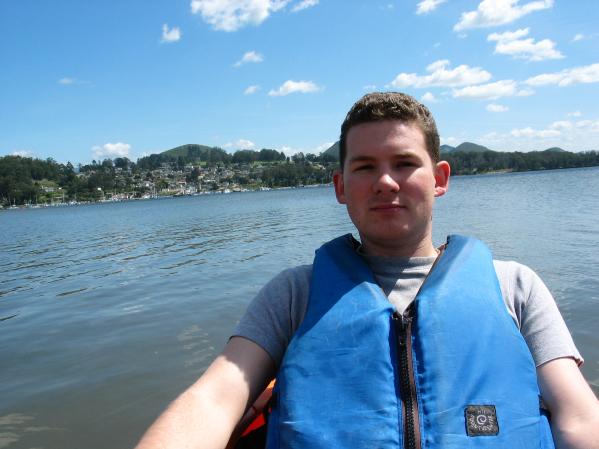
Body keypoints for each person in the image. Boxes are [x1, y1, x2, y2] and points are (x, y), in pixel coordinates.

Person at [135, 92, 599, 449]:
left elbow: (577, 414)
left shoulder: (514, 286)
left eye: (404, 163)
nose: (385, 182)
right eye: (364, 167)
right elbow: (215, 398)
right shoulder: (295, 294)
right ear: (340, 186)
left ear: (439, 179)